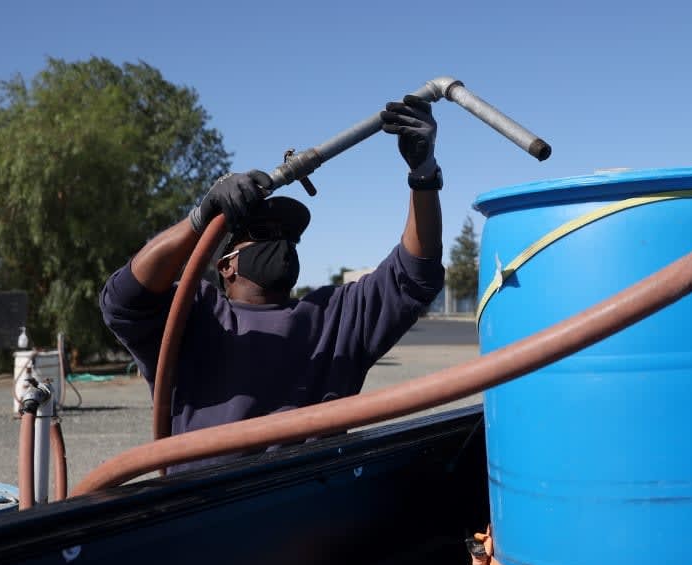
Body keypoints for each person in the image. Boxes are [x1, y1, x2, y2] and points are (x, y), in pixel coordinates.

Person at [100, 95, 446, 473]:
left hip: (305, 507)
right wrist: (200, 218)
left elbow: (415, 272)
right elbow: (123, 299)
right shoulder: (195, 312)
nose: (280, 242)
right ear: (225, 266)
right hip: (204, 510)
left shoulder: (334, 317)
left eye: (288, 237)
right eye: (262, 233)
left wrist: (424, 176)